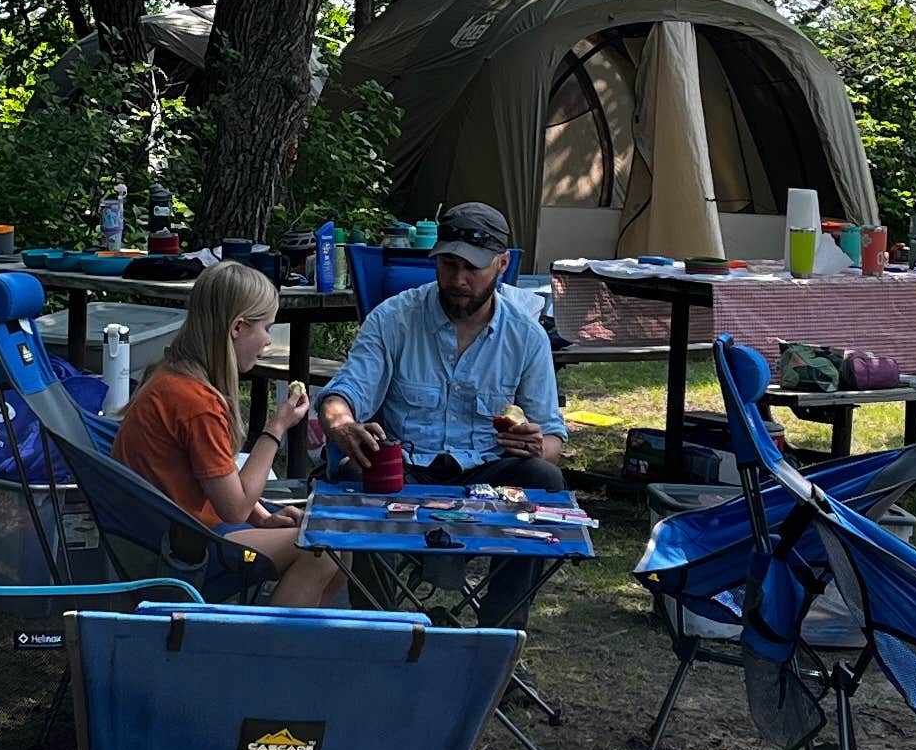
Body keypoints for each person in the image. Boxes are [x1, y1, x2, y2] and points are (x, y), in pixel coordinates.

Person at [313, 200, 571, 625]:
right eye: (448, 264)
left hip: (487, 473)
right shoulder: (394, 318)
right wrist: (340, 423)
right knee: (354, 470)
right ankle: (384, 631)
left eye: (473, 268)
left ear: (502, 265)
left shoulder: (526, 336)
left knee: (543, 479)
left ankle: (498, 638)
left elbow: (553, 436)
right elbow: (348, 390)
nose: (458, 279)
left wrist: (537, 445)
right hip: (406, 467)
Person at [111, 260, 346, 605]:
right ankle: (258, 652)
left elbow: (215, 476)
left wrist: (264, 519)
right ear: (238, 327)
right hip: (186, 550)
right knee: (323, 552)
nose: (267, 341)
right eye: (266, 328)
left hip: (174, 532)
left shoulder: (170, 376)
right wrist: (275, 428)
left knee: (342, 554)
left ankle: (306, 650)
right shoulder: (196, 403)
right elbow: (234, 507)